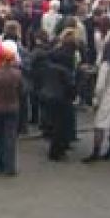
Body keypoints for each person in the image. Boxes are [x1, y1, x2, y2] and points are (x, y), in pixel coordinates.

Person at [30, 31, 75, 161]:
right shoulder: (64, 70)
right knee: (61, 125)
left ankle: (56, 149)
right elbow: (69, 85)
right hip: (61, 97)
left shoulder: (48, 65)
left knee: (54, 124)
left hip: (48, 94)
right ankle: (57, 152)